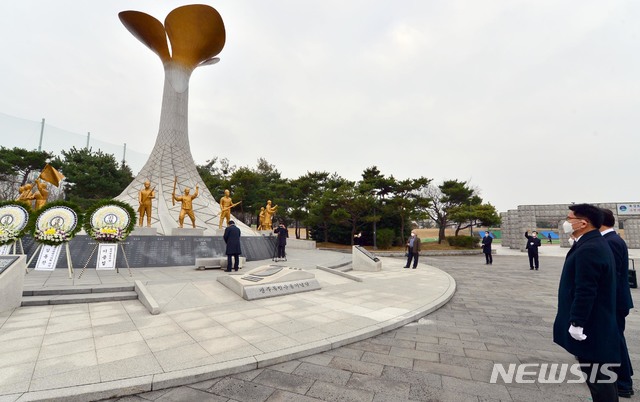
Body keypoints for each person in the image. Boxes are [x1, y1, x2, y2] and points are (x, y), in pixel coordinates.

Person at [553, 203, 620, 402]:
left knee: (598, 377)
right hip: (597, 322)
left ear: (583, 223)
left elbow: (586, 289)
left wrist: (577, 322)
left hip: (592, 325)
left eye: (569, 218)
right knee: (599, 376)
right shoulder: (591, 243)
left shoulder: (590, 248)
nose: (566, 223)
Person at [600, 208, 634, 398]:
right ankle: (623, 378)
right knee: (616, 340)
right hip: (615, 301)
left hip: (613, 302)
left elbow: (610, 276)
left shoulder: (610, 242)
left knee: (615, 341)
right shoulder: (611, 240)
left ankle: (623, 383)